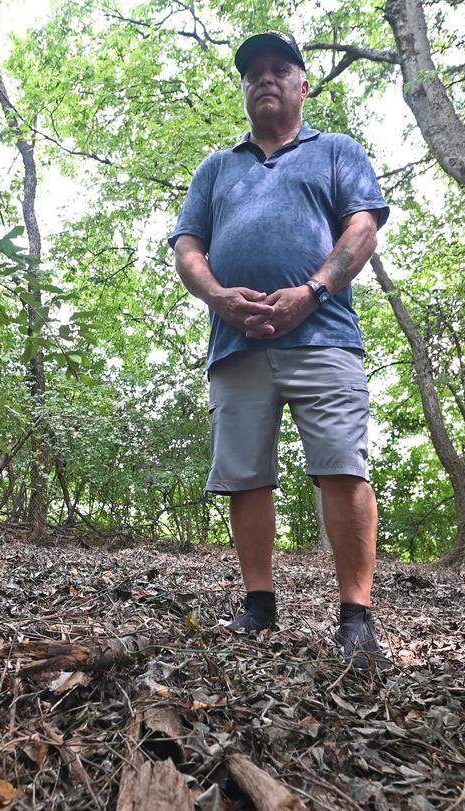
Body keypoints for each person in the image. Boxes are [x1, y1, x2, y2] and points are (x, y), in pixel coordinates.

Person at [168, 31, 391, 670]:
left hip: (322, 336)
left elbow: (362, 226)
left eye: (278, 69)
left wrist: (313, 292)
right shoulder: (217, 168)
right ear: (244, 89)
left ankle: (356, 617)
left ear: (302, 84)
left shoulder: (336, 153)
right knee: (245, 473)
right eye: (253, 73)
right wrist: (217, 297)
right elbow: (187, 247)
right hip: (236, 342)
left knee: (341, 465)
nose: (264, 79)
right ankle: (258, 604)